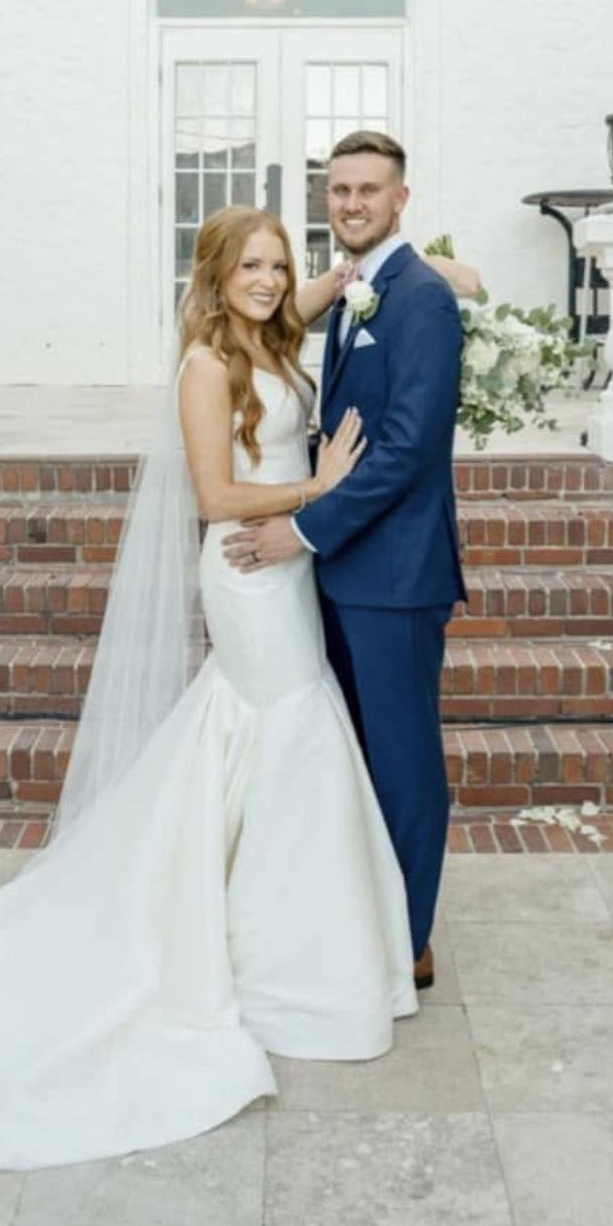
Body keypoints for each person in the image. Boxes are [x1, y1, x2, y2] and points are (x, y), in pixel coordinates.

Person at [0, 201, 475, 1172]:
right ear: (215, 274)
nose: (270, 279)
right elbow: (215, 495)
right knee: (291, 726)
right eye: (250, 266)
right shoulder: (206, 366)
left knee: (263, 735)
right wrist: (316, 489)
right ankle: (283, 959)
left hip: (288, 569)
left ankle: (267, 932)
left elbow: (337, 284)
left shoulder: (271, 335)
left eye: (277, 264)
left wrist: (432, 271)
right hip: (248, 565)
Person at [223, 131, 468, 989]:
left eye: (368, 189)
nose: (352, 202)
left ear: (401, 198)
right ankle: (362, 919)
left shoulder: (420, 299)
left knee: (401, 762)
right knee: (354, 754)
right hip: (343, 569)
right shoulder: (363, 287)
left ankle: (406, 939)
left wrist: (303, 528)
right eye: (339, 190)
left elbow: (405, 449)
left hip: (393, 573)